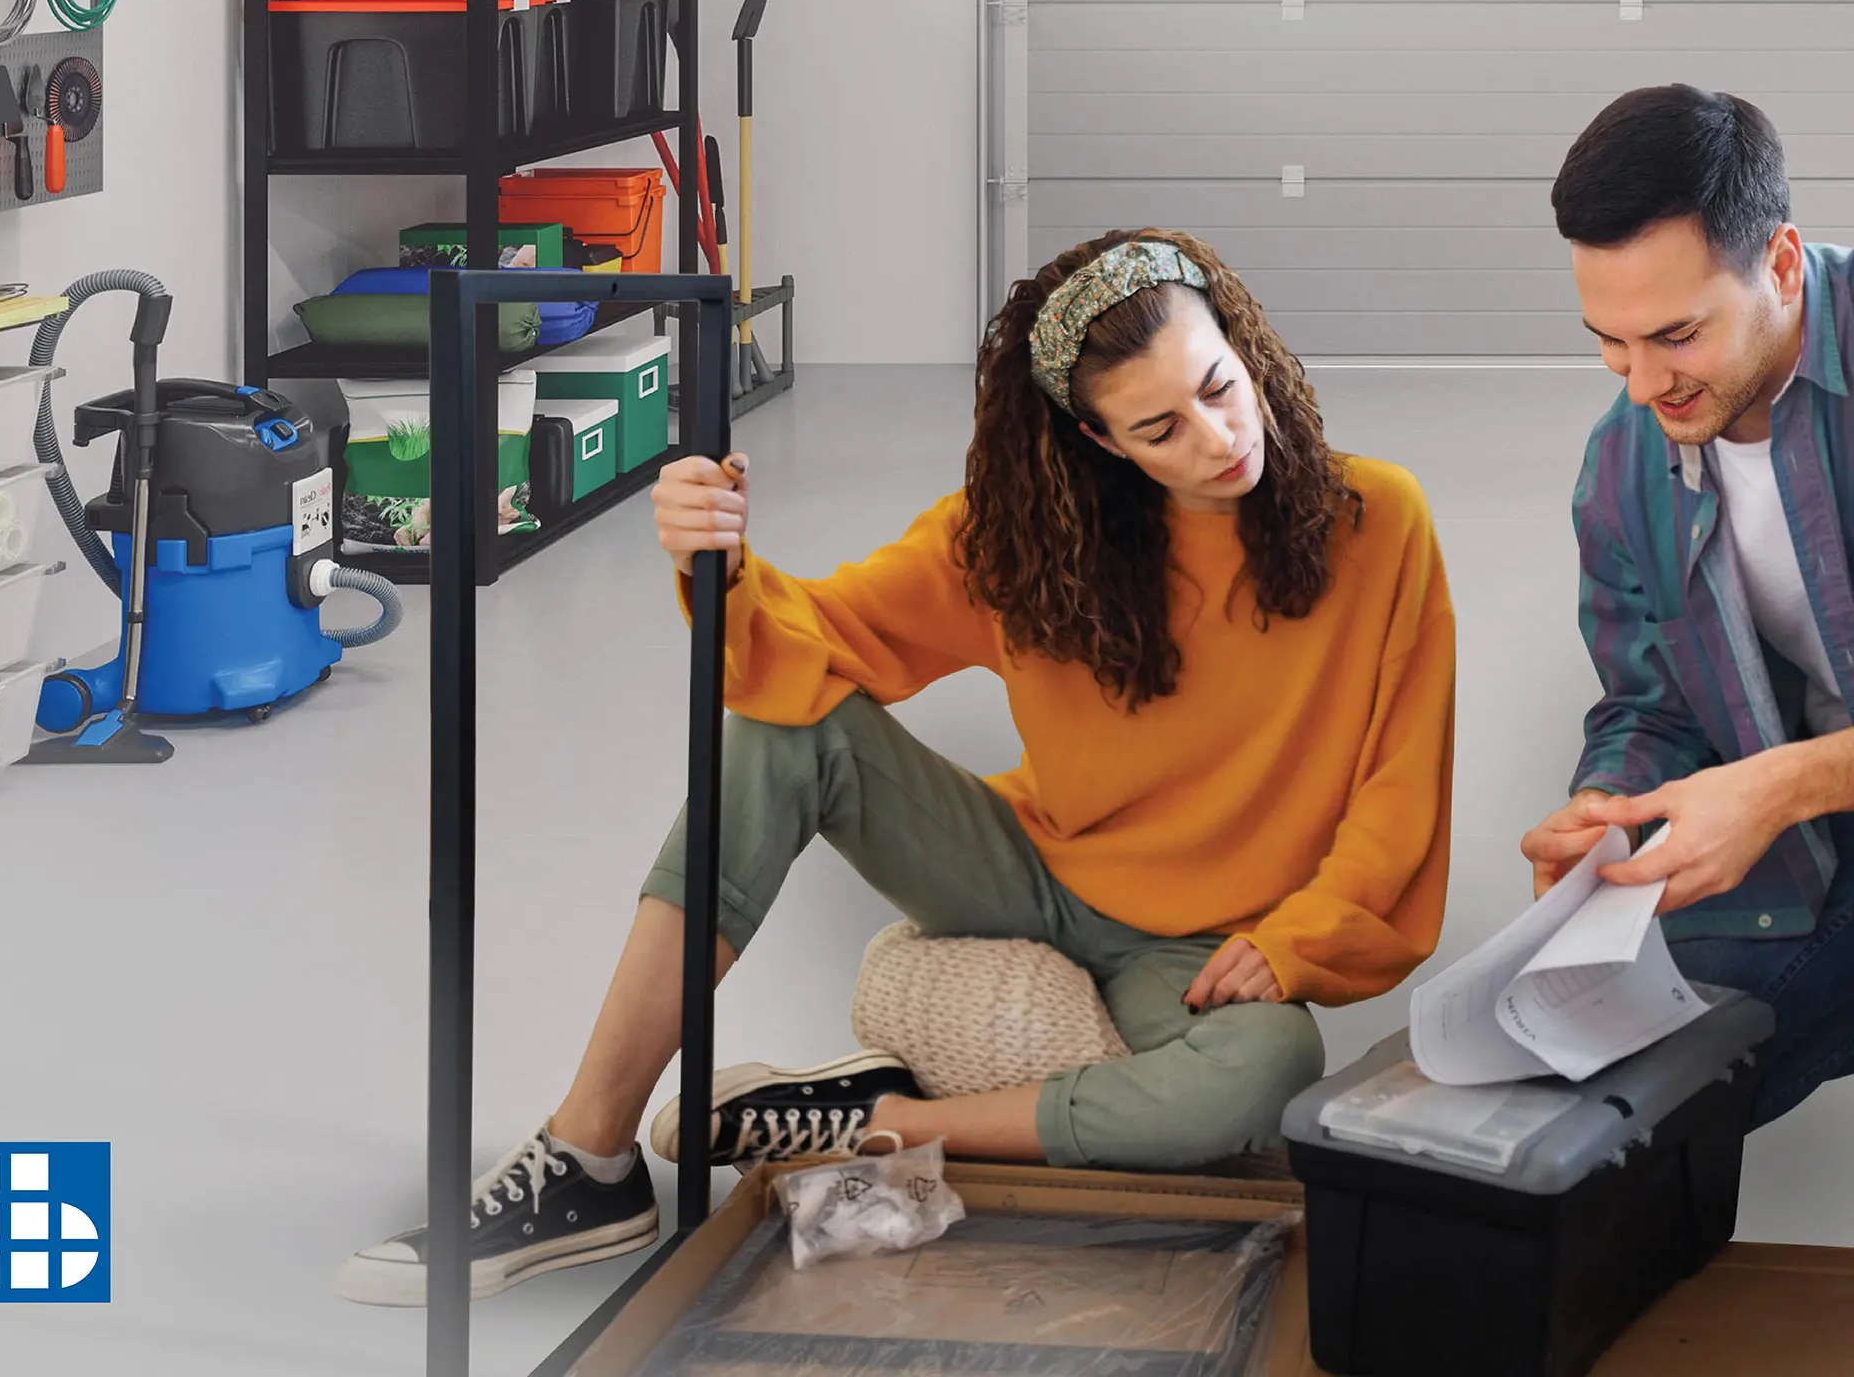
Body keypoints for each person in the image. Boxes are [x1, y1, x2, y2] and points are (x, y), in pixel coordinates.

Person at [339, 230, 1455, 1307]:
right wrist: (710, 554)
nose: (1215, 438)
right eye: (1157, 427)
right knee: (784, 727)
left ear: (1242, 343)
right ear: (1101, 441)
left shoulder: (1379, 519)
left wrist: (1295, 938)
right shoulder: (1027, 534)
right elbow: (813, 640)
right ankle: (587, 1155)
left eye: (1218, 386)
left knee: (1266, 1066)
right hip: (1029, 868)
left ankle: (887, 1118)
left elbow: (1398, 785)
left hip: (1211, 947)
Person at [1522, 86, 1854, 1126]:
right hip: (1814, 838)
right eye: (1609, 341)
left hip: (1806, 797)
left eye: (1673, 334)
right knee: (1600, 1091)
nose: (1638, 384)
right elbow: (1650, 703)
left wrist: (1779, 784)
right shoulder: (1621, 463)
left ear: (1782, 263)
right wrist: (1607, 808)